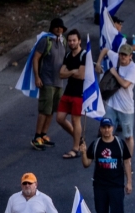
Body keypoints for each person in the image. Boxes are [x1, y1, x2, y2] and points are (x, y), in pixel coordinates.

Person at [82, 118, 133, 213]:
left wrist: (129, 182)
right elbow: (86, 163)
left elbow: (127, 162)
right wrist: (83, 152)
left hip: (116, 185)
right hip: (100, 185)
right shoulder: (96, 144)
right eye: (104, 127)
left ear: (112, 128)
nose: (106, 129)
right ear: (100, 129)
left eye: (108, 127)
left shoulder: (119, 143)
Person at [31, 19, 67, 151]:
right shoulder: (45, 41)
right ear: (52, 28)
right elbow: (36, 58)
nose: (59, 29)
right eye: (57, 27)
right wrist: (37, 77)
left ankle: (43, 135)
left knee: (52, 110)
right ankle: (36, 137)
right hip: (47, 81)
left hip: (59, 82)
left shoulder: (63, 41)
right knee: (44, 110)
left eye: (61, 27)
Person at [55, 30, 87, 159]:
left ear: (79, 41)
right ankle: (78, 139)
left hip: (79, 93)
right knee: (60, 118)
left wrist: (71, 71)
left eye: (74, 40)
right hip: (68, 91)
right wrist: (73, 71)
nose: (71, 43)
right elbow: (61, 74)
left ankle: (75, 148)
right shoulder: (68, 55)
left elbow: (81, 75)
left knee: (75, 120)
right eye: (69, 40)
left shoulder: (84, 55)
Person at [103, 44, 135, 155]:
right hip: (111, 104)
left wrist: (114, 73)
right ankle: (109, 157)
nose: (122, 57)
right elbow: (105, 50)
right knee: (107, 132)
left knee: (128, 136)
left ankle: (128, 162)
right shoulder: (116, 58)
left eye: (125, 55)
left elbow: (125, 84)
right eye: (121, 54)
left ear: (130, 56)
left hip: (125, 107)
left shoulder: (133, 68)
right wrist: (98, 63)